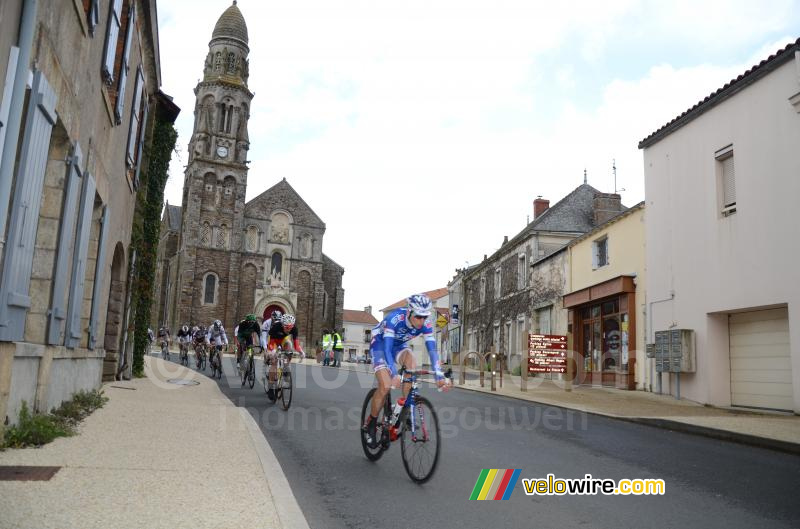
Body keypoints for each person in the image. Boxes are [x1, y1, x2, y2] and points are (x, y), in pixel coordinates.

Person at [364, 294, 449, 448]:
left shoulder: (426, 324)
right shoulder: (394, 319)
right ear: (409, 312)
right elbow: (388, 349)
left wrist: (438, 373)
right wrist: (394, 373)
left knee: (412, 362)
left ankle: (407, 409)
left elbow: (432, 349)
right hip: (381, 345)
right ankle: (371, 422)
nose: (422, 321)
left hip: (399, 345)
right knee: (385, 385)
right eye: (418, 317)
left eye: (425, 317)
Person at [264, 313, 304, 400]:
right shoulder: (276, 327)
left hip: (283, 340)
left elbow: (296, 345)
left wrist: (301, 352)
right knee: (274, 362)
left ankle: (285, 368)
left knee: (289, 347)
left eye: (290, 327)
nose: (288, 330)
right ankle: (271, 388)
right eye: (286, 327)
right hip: (274, 341)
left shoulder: (294, 329)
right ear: (282, 324)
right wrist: (272, 351)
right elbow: (271, 344)